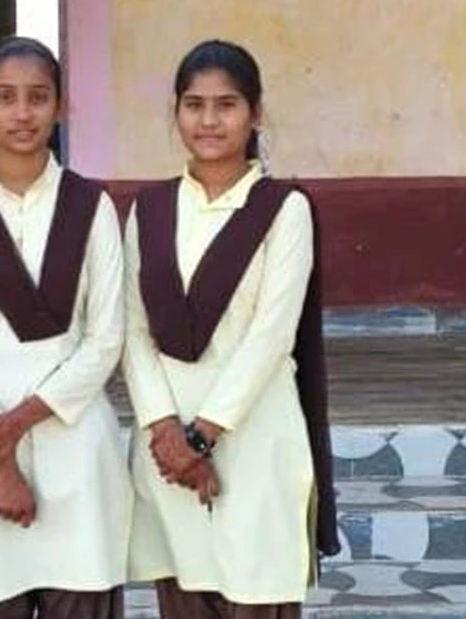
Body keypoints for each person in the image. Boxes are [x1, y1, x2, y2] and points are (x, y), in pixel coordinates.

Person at [122, 39, 340, 619]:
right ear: (176, 112)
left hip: (256, 441)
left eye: (227, 105)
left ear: (255, 113)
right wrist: (166, 431)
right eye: (194, 105)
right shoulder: (150, 210)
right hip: (165, 450)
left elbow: (272, 335)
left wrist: (201, 437)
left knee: (260, 594)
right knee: (183, 598)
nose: (209, 121)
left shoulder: (284, 209)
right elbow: (133, 329)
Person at [0, 36, 132, 619]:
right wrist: (3, 464)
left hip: (78, 449)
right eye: (6, 97)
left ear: (61, 106)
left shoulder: (91, 208)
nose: (22, 113)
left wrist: (14, 426)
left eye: (38, 97)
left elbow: (105, 340)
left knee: (82, 594)